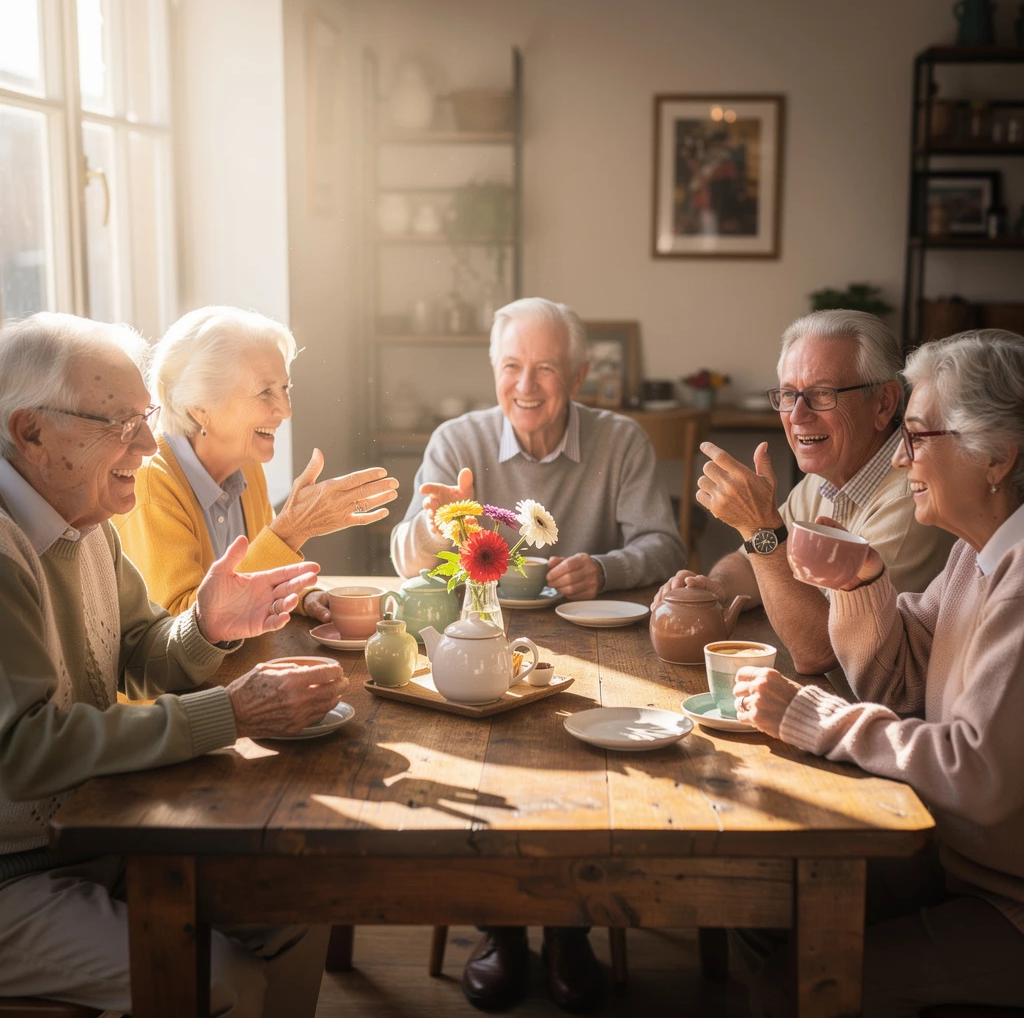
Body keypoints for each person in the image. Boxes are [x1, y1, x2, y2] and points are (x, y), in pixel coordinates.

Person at [0, 312, 347, 1016]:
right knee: (221, 981)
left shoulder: (83, 521)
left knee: (298, 901)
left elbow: (140, 651)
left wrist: (207, 627)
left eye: (145, 418)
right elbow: (23, 753)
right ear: (30, 432)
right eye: (119, 423)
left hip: (99, 834)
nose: (146, 443)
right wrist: (233, 711)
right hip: (15, 873)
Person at [392, 296, 687, 1012]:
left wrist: (606, 568)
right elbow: (404, 557)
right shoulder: (457, 439)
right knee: (484, 767)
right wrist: (432, 528)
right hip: (481, 645)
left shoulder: (620, 439)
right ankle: (500, 927)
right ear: (494, 369)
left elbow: (665, 544)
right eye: (511, 366)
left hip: (600, 649)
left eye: (546, 369)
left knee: (585, 771)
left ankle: (567, 929)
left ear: (579, 375)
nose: (526, 386)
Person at [732, 330, 1024, 1017]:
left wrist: (812, 716)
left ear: (997, 457)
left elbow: (977, 774)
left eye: (917, 437)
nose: (898, 457)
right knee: (759, 896)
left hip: (1008, 902)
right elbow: (900, 685)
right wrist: (863, 581)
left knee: (788, 986)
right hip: (961, 859)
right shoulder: (977, 554)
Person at [655, 309, 955, 688]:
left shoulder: (913, 497)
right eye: (788, 395)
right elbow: (751, 562)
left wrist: (759, 526)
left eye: (821, 394)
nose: (797, 415)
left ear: (883, 403)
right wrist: (717, 587)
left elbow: (820, 652)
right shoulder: (825, 477)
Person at [112, 305, 399, 622]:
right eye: (265, 392)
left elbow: (260, 568)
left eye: (284, 388)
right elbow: (181, 623)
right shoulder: (151, 484)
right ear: (199, 407)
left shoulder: (245, 463)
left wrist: (305, 597)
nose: (286, 410)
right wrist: (291, 530)